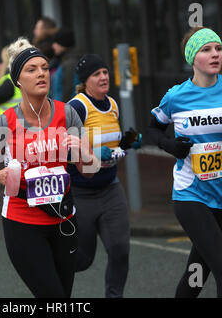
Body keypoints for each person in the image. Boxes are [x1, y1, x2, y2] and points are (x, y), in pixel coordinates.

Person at [0, 37, 98, 298]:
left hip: (65, 218)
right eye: (32, 69)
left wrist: (85, 152)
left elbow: (89, 170)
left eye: (44, 67)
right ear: (18, 81)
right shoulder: (4, 123)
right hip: (22, 221)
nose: (41, 73)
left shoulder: (68, 114)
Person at [148, 27, 222, 298]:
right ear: (192, 58)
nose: (215, 54)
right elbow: (152, 130)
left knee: (196, 274)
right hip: (191, 195)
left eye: (218, 49)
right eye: (206, 50)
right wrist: (170, 146)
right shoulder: (176, 96)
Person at [67, 54, 141, 298]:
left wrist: (129, 141)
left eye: (105, 72)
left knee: (120, 249)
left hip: (110, 188)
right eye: (96, 74)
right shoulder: (76, 107)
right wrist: (88, 153)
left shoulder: (112, 104)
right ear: (85, 81)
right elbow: (61, 149)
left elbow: (113, 143)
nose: (103, 77)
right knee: (83, 259)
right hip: (81, 191)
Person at [50, 28, 81, 102]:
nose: (53, 46)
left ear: (63, 43)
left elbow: (68, 90)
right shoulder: (66, 61)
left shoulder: (70, 64)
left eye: (55, 42)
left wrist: (61, 110)